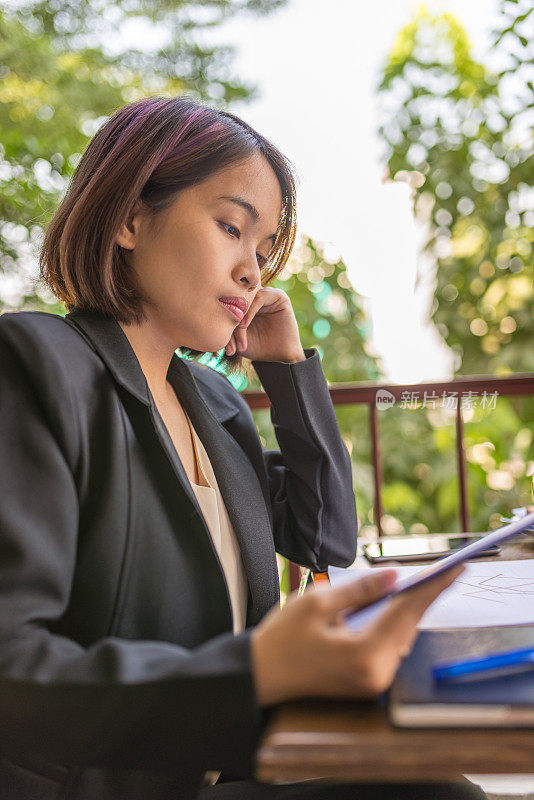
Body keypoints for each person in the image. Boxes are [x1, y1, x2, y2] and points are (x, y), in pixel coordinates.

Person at [0, 96, 485, 800]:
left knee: (442, 791)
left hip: (217, 778)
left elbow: (324, 537)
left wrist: (287, 373)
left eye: (261, 251)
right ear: (131, 216)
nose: (253, 271)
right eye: (231, 227)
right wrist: (258, 671)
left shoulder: (213, 402)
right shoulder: (38, 364)